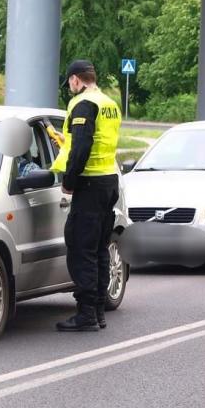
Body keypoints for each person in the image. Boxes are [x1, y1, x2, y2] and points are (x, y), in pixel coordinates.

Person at [50, 59, 121, 331]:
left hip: (89, 185)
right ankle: (99, 310)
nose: (70, 86)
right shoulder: (108, 103)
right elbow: (93, 140)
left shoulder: (83, 104)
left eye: (70, 82)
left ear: (76, 80)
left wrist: (68, 183)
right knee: (99, 250)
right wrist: (65, 139)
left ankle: (87, 314)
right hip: (108, 181)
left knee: (82, 250)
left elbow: (82, 148)